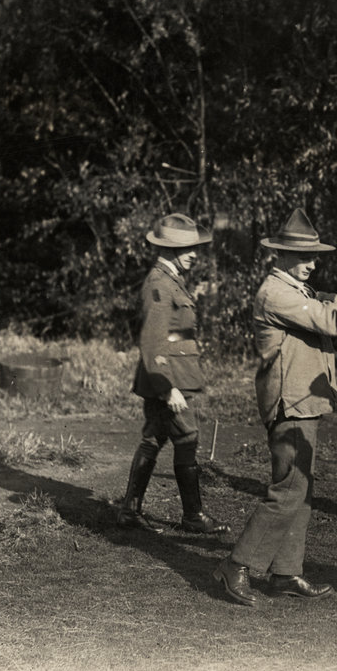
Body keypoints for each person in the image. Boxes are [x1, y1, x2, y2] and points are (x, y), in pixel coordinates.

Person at [213, 208, 337, 606]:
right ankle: (236, 565)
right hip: (290, 402)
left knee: (300, 489)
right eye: (304, 257)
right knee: (288, 488)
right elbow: (333, 319)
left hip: (302, 401)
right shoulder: (277, 294)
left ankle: (286, 573)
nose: (312, 263)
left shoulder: (296, 290)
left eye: (314, 256)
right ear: (280, 255)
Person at [118, 213, 229, 535]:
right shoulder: (159, 285)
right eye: (189, 247)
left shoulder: (170, 281)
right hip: (167, 378)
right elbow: (152, 341)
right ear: (170, 249)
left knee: (154, 438)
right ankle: (192, 515)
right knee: (187, 438)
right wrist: (167, 388)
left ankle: (130, 510)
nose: (196, 253)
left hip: (171, 374)